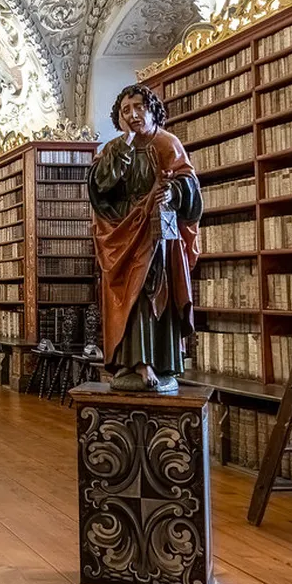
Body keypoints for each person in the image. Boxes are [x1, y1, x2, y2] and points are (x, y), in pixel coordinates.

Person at [88, 83, 202, 391]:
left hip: (156, 228)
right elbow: (99, 189)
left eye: (139, 107)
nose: (133, 114)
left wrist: (172, 192)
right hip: (123, 228)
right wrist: (121, 153)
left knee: (153, 292)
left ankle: (160, 361)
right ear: (120, 117)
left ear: (151, 109)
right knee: (128, 294)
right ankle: (134, 361)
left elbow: (189, 186)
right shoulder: (115, 147)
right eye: (126, 110)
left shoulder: (167, 143)